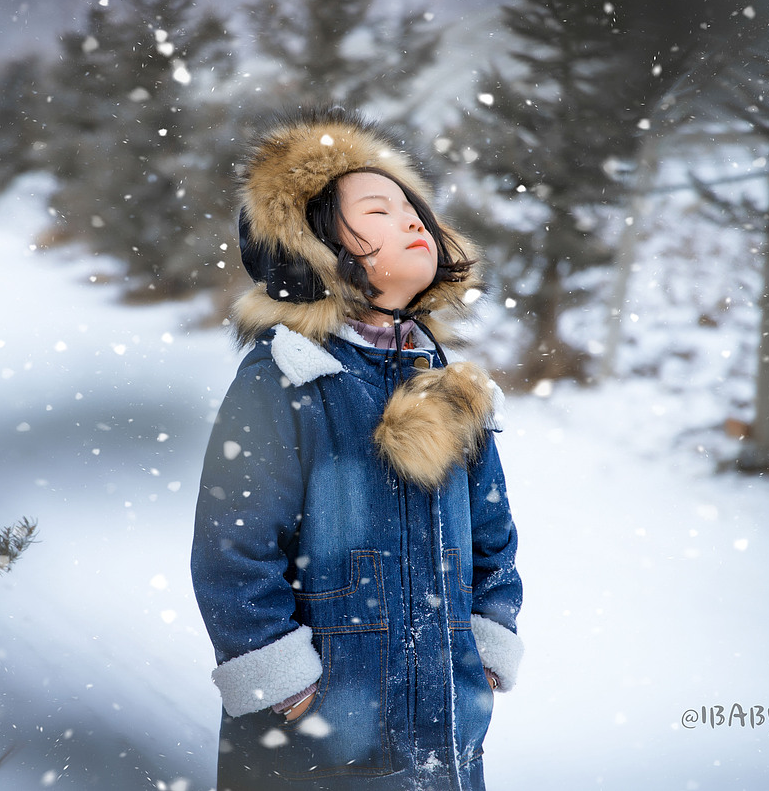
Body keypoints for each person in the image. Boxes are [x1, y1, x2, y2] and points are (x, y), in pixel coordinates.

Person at [190, 108, 523, 791]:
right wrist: (288, 684)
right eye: (378, 210)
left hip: (446, 738)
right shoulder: (288, 377)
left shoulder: (448, 384)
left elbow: (493, 538)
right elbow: (233, 549)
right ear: (316, 247)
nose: (411, 221)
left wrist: (485, 647)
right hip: (319, 748)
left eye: (412, 208)